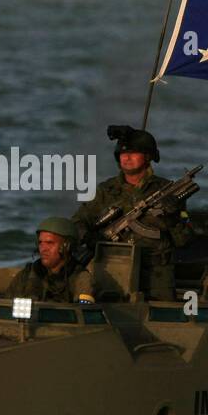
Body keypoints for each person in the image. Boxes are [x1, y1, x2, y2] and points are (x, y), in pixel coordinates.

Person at [72, 125, 191, 301]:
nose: (126, 157)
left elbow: (184, 241)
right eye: (122, 153)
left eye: (134, 153)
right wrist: (90, 238)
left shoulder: (166, 191)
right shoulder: (106, 191)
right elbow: (76, 223)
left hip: (156, 277)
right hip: (114, 271)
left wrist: (173, 217)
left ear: (148, 156)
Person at [6, 217, 96, 304]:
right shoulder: (26, 275)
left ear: (66, 246)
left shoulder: (80, 279)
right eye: (40, 242)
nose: (43, 249)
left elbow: (83, 312)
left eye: (49, 243)